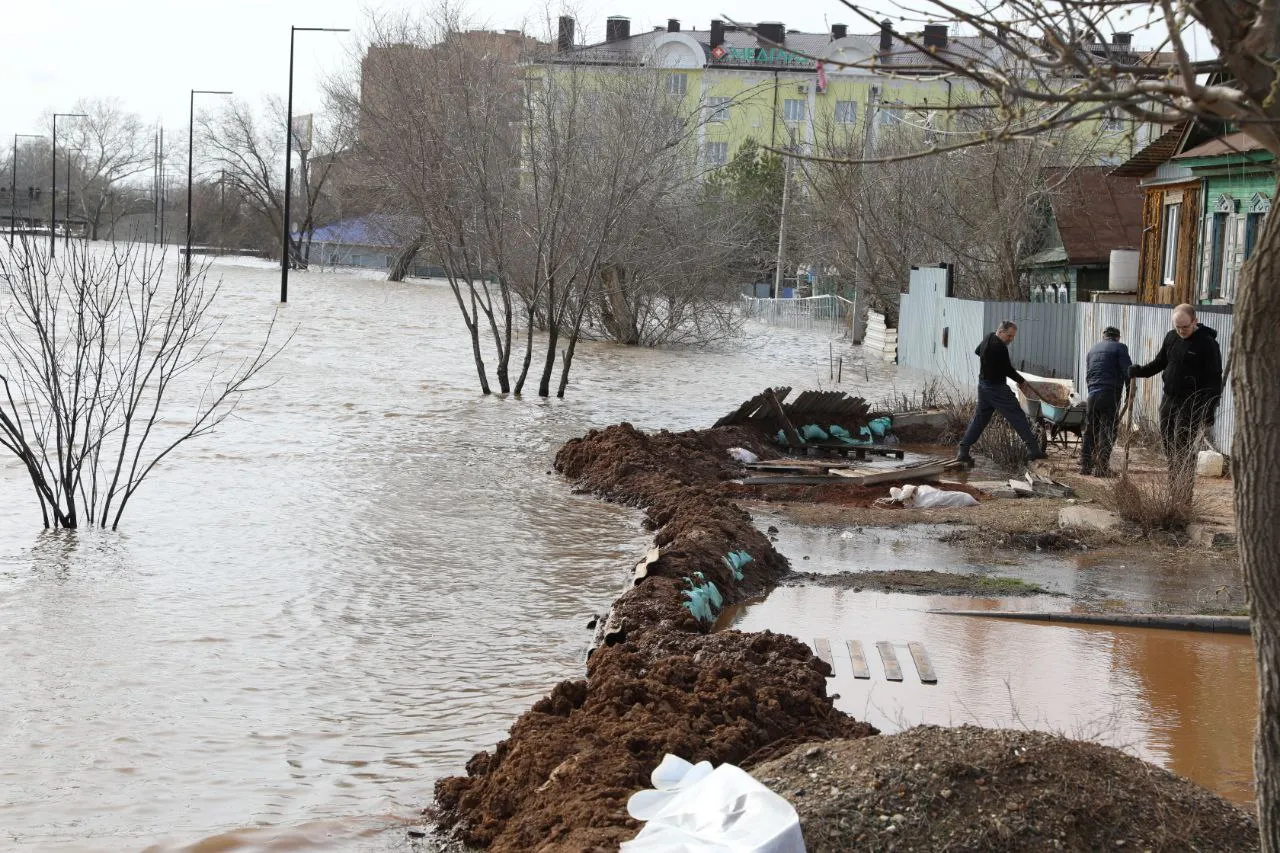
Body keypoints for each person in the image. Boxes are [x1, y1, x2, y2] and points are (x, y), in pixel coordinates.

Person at [1128, 304, 1222, 500]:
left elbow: (1214, 380)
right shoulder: (1172, 337)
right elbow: (1160, 362)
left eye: (1185, 327)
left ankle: (1183, 496)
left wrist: (1209, 409)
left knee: (1183, 447)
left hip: (1192, 402)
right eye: (1177, 326)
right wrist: (1140, 371)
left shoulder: (1207, 344)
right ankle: (1174, 492)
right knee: (1169, 446)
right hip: (1169, 400)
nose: (1181, 331)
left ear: (1195, 321)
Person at [956, 321, 1048, 466]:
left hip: (983, 385)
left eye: (1013, 337)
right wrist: (1021, 381)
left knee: (980, 419)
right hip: (996, 388)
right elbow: (1007, 369)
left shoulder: (989, 337)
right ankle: (1033, 449)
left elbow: (977, 351)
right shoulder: (1000, 347)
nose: (1011, 339)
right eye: (1009, 336)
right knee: (1017, 415)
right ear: (1001, 331)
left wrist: (989, 364)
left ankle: (963, 450)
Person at [1080, 326, 1131, 477]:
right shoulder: (1120, 347)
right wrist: (1129, 393)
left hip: (1092, 394)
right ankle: (1102, 468)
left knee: (1090, 430)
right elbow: (1128, 371)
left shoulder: (1092, 350)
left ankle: (1085, 466)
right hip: (1110, 393)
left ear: (1104, 337)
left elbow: (1088, 374)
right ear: (1118, 337)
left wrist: (1091, 390)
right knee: (1107, 430)